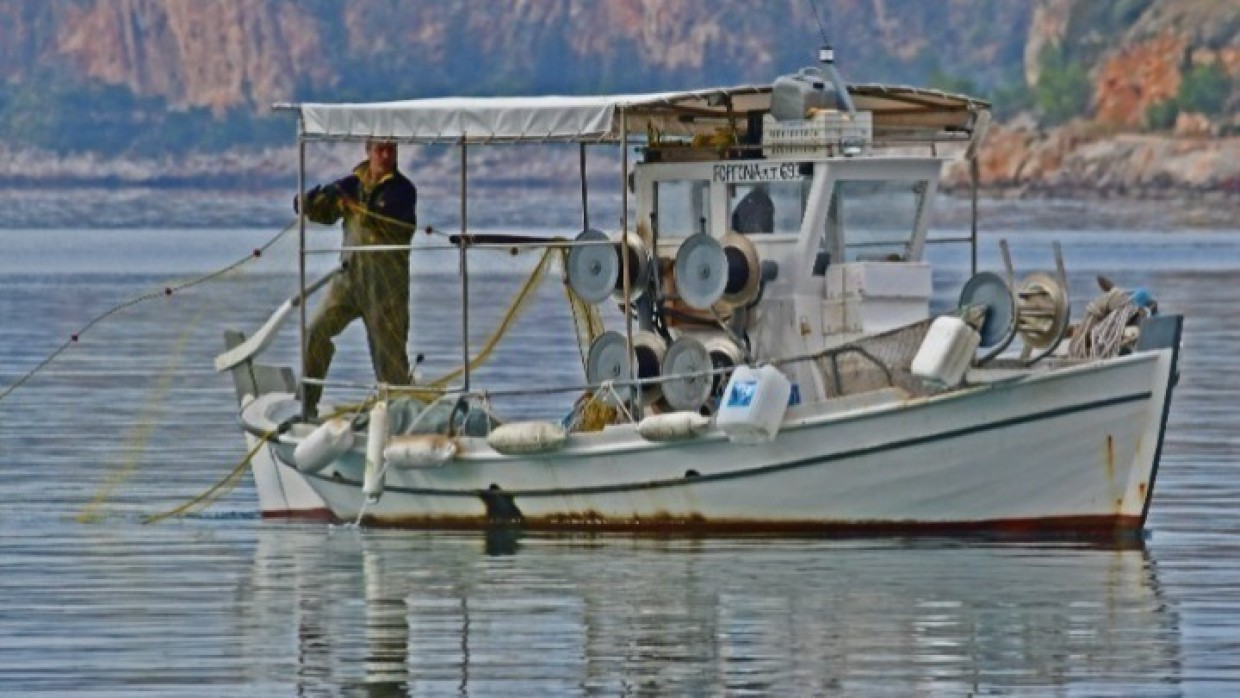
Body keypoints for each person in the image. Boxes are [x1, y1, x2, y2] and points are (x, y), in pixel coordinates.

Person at [294, 140, 418, 416]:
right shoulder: (352, 182)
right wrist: (311, 201)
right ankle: (306, 404)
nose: (386, 156)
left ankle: (400, 417)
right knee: (315, 330)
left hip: (386, 287)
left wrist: (353, 205)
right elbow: (325, 214)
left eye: (391, 150)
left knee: (389, 360)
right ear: (368, 151)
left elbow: (389, 219)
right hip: (348, 279)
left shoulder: (403, 190)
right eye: (380, 150)